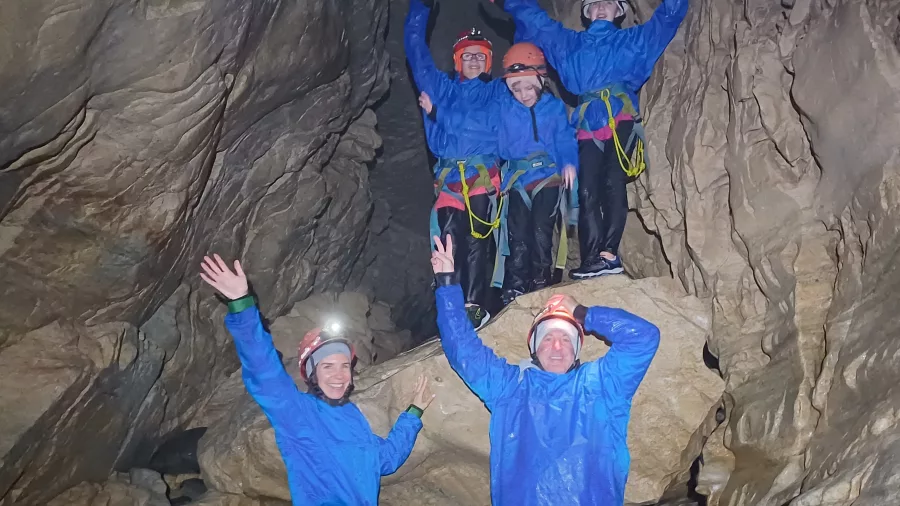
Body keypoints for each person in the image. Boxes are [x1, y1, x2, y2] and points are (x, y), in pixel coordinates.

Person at [430, 235, 660, 505]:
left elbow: (643, 338)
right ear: (534, 348)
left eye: (566, 339)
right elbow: (463, 350)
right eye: (548, 338)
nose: (556, 347)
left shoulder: (601, 386)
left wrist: (583, 313)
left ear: (576, 350)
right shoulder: (511, 388)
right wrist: (447, 286)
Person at [199, 254, 435, 505]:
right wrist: (242, 305)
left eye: (344, 365)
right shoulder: (298, 413)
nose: (339, 375)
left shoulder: (354, 419)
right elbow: (263, 370)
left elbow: (386, 459)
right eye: (327, 366)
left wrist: (413, 413)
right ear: (312, 374)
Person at [499, 0, 689, 279]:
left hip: (619, 117)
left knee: (613, 183)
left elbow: (667, 17)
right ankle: (591, 258)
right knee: (586, 190)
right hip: (587, 124)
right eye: (595, 3)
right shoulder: (570, 43)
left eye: (608, 3)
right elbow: (537, 22)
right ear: (586, 12)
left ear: (619, 11)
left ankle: (608, 254)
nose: (601, 7)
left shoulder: (635, 39)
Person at [405, 0, 509, 330]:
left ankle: (475, 304)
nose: (474, 59)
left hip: (482, 174)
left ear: (489, 61)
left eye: (480, 54)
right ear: (458, 60)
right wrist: (422, 8)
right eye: (468, 54)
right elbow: (415, 49)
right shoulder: (442, 88)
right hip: (449, 177)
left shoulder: (499, 92)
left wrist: (439, 114)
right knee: (449, 242)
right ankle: (452, 304)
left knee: (479, 241)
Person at [494, 42, 578, 304]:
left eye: (529, 86)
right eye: (516, 88)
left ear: (541, 81)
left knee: (542, 232)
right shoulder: (504, 109)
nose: (523, 93)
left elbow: (564, 138)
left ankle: (540, 281)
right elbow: (493, 142)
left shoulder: (552, 108)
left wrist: (568, 163)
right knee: (517, 234)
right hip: (517, 181)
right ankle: (516, 285)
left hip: (547, 178)